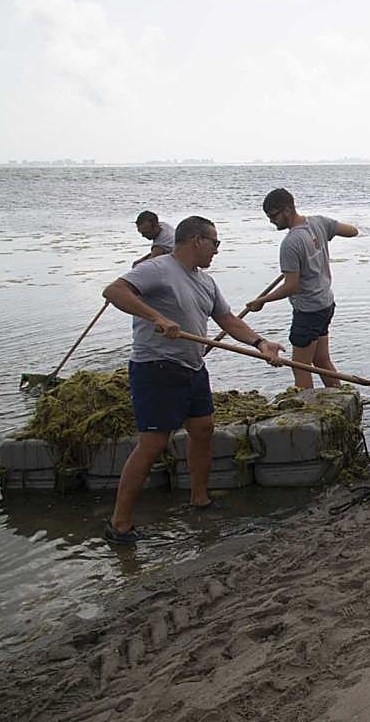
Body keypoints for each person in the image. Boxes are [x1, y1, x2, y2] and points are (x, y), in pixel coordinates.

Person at [101, 215, 284, 543]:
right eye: (215, 242)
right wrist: (156, 317)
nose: (217, 249)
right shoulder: (158, 268)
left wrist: (260, 343)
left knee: (203, 430)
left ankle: (200, 499)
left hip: (192, 367)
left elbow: (227, 319)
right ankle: (119, 524)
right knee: (153, 445)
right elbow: (114, 291)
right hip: (156, 368)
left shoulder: (206, 282)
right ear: (197, 240)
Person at [246, 188, 358, 388]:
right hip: (325, 304)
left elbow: (291, 287)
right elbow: (353, 231)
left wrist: (262, 301)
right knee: (321, 361)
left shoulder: (290, 243)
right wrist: (322, 238)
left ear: (287, 210)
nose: (271, 221)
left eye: (273, 216)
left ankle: (306, 405)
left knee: (301, 367)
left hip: (308, 311)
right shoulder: (319, 223)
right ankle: (340, 395)